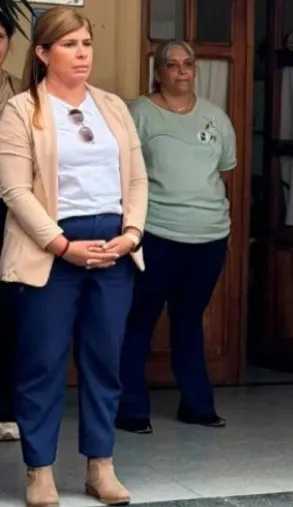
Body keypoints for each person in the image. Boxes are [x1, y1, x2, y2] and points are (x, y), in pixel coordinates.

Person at [0, 7, 147, 506]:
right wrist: (62, 245)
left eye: (86, 43)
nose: (82, 53)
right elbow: (15, 191)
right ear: (43, 54)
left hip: (113, 249)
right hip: (51, 251)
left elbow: (137, 178)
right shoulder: (21, 109)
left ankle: (100, 467)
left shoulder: (113, 106)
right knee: (42, 363)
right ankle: (39, 471)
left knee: (105, 362)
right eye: (69, 45)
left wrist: (132, 234)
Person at [116, 40, 235, 435]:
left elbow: (224, 171)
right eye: (172, 64)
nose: (182, 71)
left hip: (209, 237)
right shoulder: (140, 113)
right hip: (156, 234)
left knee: (188, 319)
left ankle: (197, 405)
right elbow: (124, 172)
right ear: (159, 72)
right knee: (140, 319)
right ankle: (131, 409)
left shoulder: (216, 117)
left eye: (189, 64)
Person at [0, 13, 23, 444]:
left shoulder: (22, 94)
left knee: (8, 316)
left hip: (11, 213)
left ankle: (4, 410)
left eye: (0, 36)